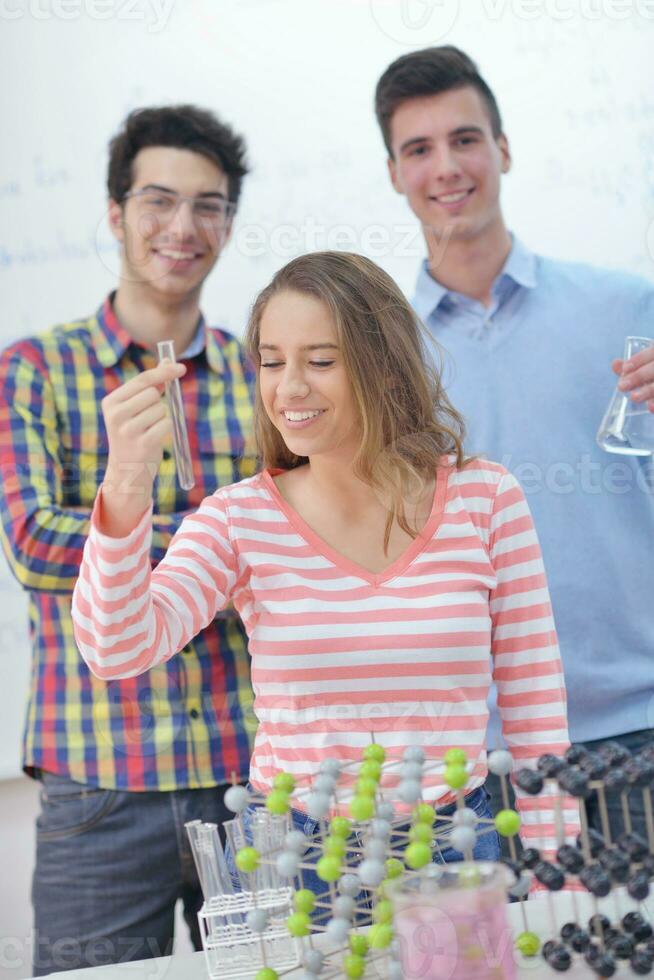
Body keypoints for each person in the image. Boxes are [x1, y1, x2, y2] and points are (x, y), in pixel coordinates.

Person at [71, 250, 578, 889]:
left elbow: (534, 703)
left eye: (321, 361)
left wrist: (559, 867)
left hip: (456, 843)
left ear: (387, 369)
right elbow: (115, 648)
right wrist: (125, 484)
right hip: (295, 857)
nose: (290, 388)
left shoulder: (486, 497)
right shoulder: (236, 519)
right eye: (272, 362)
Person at [0, 105, 257, 975]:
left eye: (209, 205)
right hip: (98, 783)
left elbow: (304, 537)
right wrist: (219, 539)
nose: (183, 227)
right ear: (116, 213)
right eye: (158, 200)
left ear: (227, 221)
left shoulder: (269, 371)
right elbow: (35, 544)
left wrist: (126, 531)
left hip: (252, 771)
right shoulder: (34, 370)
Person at [374, 46, 654, 845]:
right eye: (418, 149)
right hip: (480, 765)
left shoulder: (628, 306)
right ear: (393, 172)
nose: (446, 166)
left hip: (638, 726)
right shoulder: (380, 359)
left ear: (503, 149)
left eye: (465, 139)